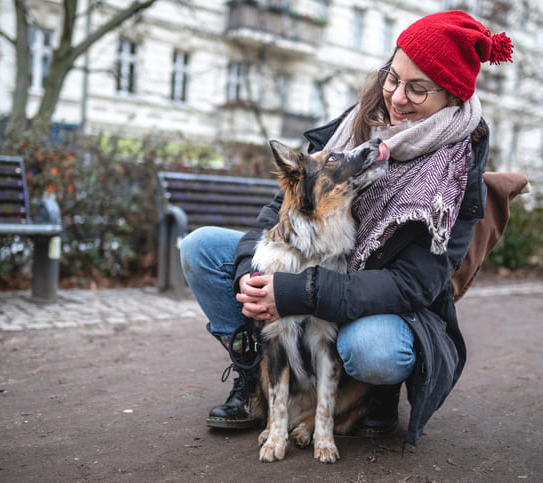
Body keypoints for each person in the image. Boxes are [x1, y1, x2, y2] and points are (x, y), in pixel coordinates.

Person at [180, 10, 513, 447]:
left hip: (388, 302)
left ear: (451, 96)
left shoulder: (455, 172)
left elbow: (412, 285)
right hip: (316, 258)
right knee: (202, 248)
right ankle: (252, 372)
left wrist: (299, 292)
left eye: (418, 88)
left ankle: (374, 393)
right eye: (393, 78)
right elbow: (281, 208)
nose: (396, 97)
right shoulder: (355, 123)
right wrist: (250, 272)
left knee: (374, 351)